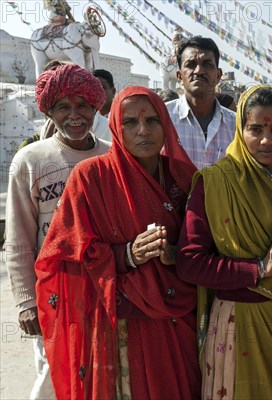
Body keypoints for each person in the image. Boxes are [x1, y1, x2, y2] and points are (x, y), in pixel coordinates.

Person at [34, 86, 201, 398]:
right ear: (115, 126)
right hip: (117, 321)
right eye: (130, 123)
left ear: (165, 125)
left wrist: (174, 254)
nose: (143, 131)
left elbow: (204, 247)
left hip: (177, 318)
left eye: (152, 120)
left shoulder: (183, 179)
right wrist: (127, 255)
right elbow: (64, 252)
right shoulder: (91, 176)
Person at [177, 85, 272, 399]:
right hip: (235, 325)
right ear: (240, 131)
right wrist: (258, 268)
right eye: (256, 129)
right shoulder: (215, 183)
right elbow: (190, 262)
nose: (267, 141)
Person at [5, 64, 111, 400]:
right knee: (54, 378)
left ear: (97, 108)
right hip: (53, 293)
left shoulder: (111, 154)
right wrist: (25, 302)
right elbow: (20, 238)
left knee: (102, 374)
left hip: (104, 287)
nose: (75, 115)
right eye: (63, 107)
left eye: (83, 106)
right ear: (49, 110)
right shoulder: (31, 160)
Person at [166, 35, 235, 169]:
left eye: (207, 64)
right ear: (180, 76)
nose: (199, 71)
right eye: (191, 65)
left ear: (218, 75)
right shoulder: (163, 118)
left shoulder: (236, 125)